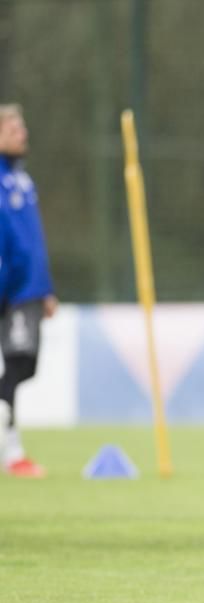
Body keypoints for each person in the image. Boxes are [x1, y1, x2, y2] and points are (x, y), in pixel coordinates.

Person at [0, 104, 56, 478]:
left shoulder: (22, 181)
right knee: (18, 365)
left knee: (22, 366)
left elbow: (32, 243)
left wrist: (45, 288)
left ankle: (12, 451)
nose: (23, 134)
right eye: (14, 128)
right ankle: (12, 452)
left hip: (28, 290)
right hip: (12, 288)